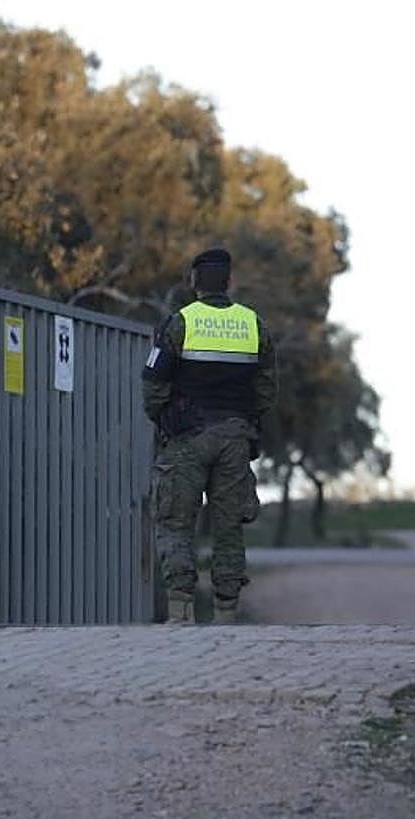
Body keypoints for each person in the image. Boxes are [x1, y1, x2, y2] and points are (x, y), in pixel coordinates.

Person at [142, 248, 277, 624]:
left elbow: (153, 384)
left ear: (193, 282)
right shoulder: (254, 325)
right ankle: (226, 615)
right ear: (230, 282)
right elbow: (267, 389)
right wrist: (247, 422)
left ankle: (180, 611)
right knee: (228, 525)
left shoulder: (180, 323)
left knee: (175, 522)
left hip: (186, 438)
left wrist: (165, 420)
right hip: (235, 438)